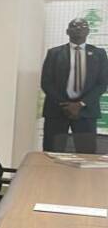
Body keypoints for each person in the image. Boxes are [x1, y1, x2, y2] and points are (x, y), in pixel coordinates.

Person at [40, 17, 107, 154]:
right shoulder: (54, 53)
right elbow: (46, 83)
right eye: (74, 26)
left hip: (86, 112)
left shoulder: (99, 54)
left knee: (86, 154)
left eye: (83, 26)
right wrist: (66, 105)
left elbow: (102, 84)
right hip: (57, 110)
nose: (78, 29)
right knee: (52, 153)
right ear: (67, 31)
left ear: (88, 31)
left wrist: (80, 104)